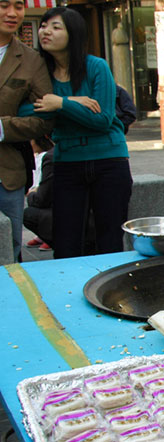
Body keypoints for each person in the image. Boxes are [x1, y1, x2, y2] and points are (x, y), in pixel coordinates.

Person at [22, 7, 132, 258]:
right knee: (66, 241)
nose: (45, 31)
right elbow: (24, 109)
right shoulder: (41, 72)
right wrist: (73, 100)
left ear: (74, 34)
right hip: (67, 162)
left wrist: (60, 104)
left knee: (110, 239)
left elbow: (103, 119)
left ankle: (109, 295)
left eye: (55, 27)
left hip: (108, 160)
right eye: (43, 26)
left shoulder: (96, 66)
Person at [0, 0, 53, 262]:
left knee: (9, 249)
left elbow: (46, 118)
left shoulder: (31, 60)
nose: (12, 13)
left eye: (18, 6)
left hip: (7, 173)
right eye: (3, 5)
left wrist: (3, 128)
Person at [23, 136, 54, 251]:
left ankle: (50, 236)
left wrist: (33, 193)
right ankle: (43, 236)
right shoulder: (38, 156)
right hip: (38, 189)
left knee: (33, 210)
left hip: (43, 192)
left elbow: (43, 194)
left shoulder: (47, 157)